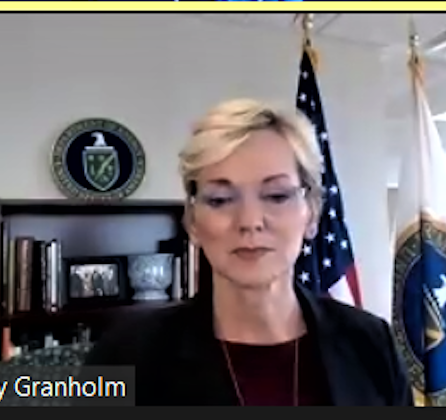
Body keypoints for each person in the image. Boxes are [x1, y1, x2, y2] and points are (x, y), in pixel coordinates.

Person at [87, 100, 411, 405]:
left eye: (276, 196)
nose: (250, 221)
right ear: (192, 221)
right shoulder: (124, 354)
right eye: (220, 200)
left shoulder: (371, 343)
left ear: (312, 213)